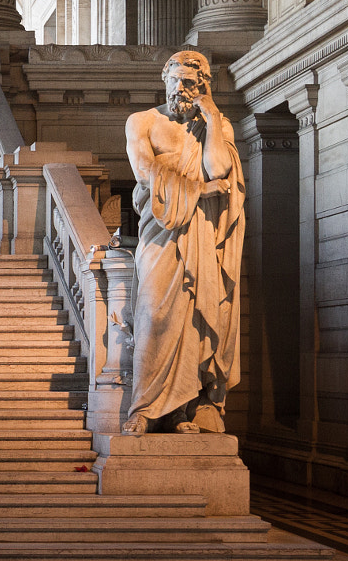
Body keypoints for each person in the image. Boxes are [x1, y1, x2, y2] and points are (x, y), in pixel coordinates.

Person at [121, 49, 245, 434]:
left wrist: (210, 118)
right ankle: (142, 408)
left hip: (201, 234)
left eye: (190, 83)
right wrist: (201, 190)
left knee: (196, 319)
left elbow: (219, 168)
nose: (180, 88)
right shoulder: (143, 121)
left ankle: (184, 410)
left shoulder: (216, 125)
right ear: (164, 79)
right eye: (175, 80)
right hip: (160, 231)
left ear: (203, 86)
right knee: (153, 315)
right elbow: (144, 172)